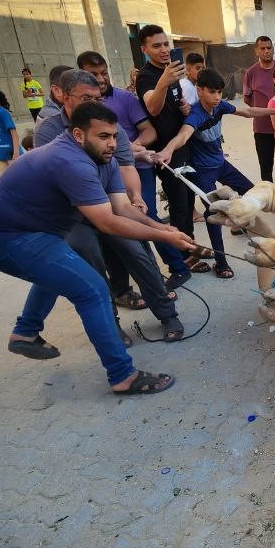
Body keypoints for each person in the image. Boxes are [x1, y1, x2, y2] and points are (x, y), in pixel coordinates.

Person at [0, 102, 196, 393]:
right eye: (103, 136)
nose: (112, 144)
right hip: (5, 237)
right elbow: (107, 223)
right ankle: (122, 376)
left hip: (38, 232)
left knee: (62, 273)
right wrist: (165, 239)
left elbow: (122, 209)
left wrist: (161, 227)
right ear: (78, 135)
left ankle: (26, 332)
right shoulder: (70, 161)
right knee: (91, 289)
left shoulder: (106, 160)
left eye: (115, 136)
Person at [36, 68, 185, 342]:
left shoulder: (109, 129)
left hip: (109, 206)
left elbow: (125, 168)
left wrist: (138, 200)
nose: (94, 104)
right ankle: (109, 325)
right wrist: (161, 232)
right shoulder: (50, 134)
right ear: (62, 96)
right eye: (85, 98)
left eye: (98, 98)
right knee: (89, 258)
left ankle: (167, 313)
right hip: (70, 214)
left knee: (138, 252)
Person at [78, 49, 193, 294]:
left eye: (103, 73)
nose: (100, 79)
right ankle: (126, 287)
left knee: (145, 215)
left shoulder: (123, 99)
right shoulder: (76, 112)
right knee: (115, 231)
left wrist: (129, 150)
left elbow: (148, 133)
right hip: (100, 176)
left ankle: (175, 267)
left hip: (135, 168)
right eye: (92, 75)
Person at [150, 69, 257, 278]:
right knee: (213, 214)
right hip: (203, 173)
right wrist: (167, 151)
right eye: (212, 92)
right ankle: (221, 262)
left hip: (221, 164)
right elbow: (183, 135)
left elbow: (248, 112)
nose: (217, 97)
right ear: (199, 90)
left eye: (219, 92)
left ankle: (238, 223)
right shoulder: (196, 113)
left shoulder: (220, 107)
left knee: (253, 192)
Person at [136, 25, 210, 274]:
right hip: (165, 152)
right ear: (144, 49)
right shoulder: (147, 76)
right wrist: (163, 83)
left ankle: (187, 243)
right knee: (178, 202)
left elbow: (171, 106)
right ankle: (183, 256)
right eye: (156, 46)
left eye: (165, 44)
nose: (164, 49)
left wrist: (184, 110)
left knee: (188, 200)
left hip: (182, 146)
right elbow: (153, 109)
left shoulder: (173, 71)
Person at [242, 36, 275, 186]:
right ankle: (269, 198)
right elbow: (247, 99)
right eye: (262, 48)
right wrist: (264, 110)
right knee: (266, 169)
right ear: (256, 51)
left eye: (269, 48)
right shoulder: (250, 73)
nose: (266, 51)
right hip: (262, 129)